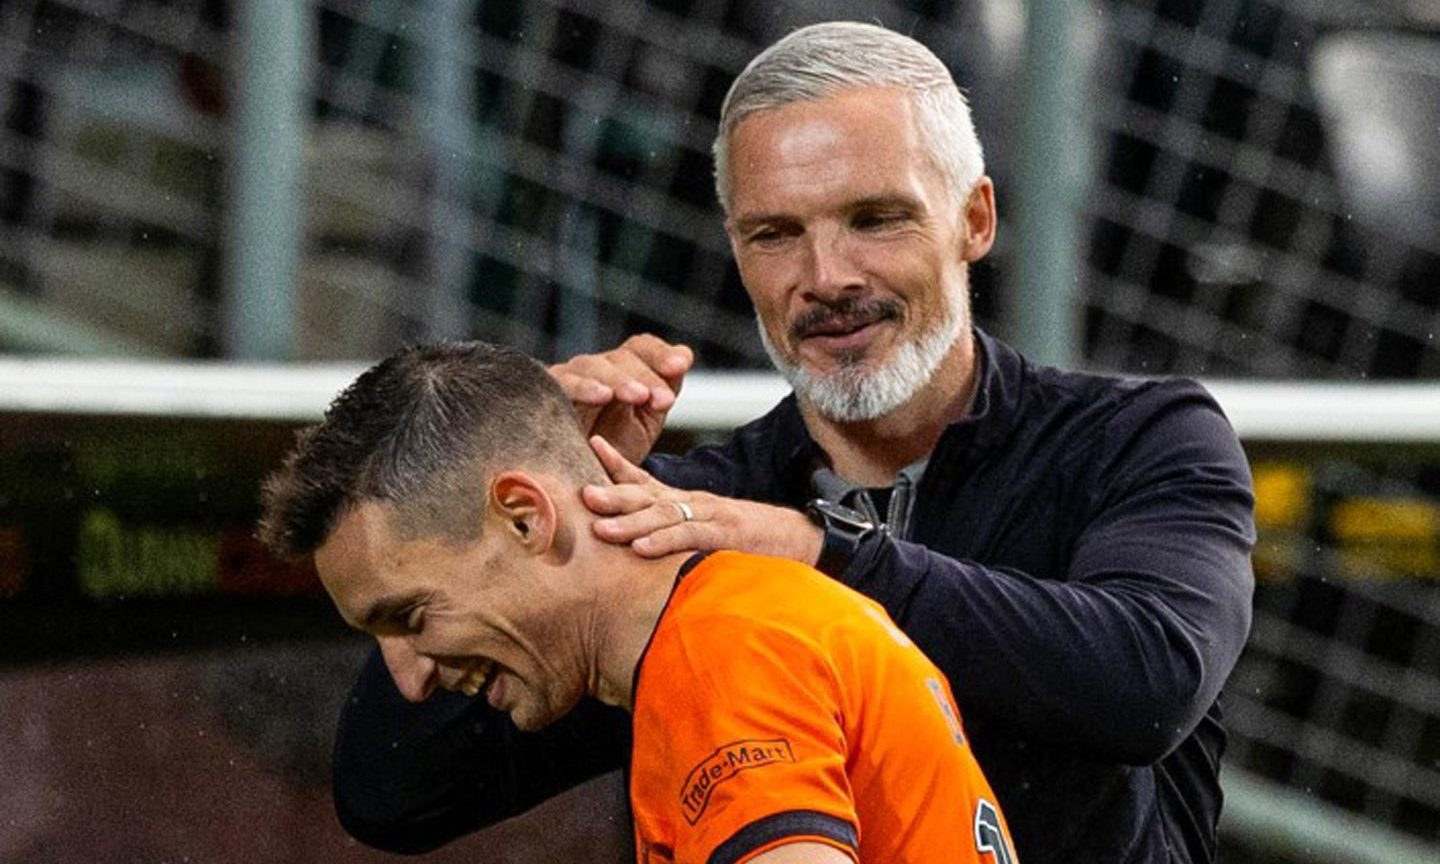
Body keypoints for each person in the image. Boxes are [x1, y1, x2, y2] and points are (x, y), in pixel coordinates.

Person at [332, 21, 1255, 864]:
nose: (826, 278)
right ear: (735, 251)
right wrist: (521, 480)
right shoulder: (680, 509)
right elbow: (395, 795)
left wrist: (816, 554)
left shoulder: (1139, 438)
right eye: (776, 235)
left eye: (874, 219)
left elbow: (1147, 679)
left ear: (974, 220)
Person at [258, 340, 1018, 864]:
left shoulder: (719, 650)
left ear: (526, 516)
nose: (410, 678)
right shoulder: (732, 625)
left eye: (412, 616)